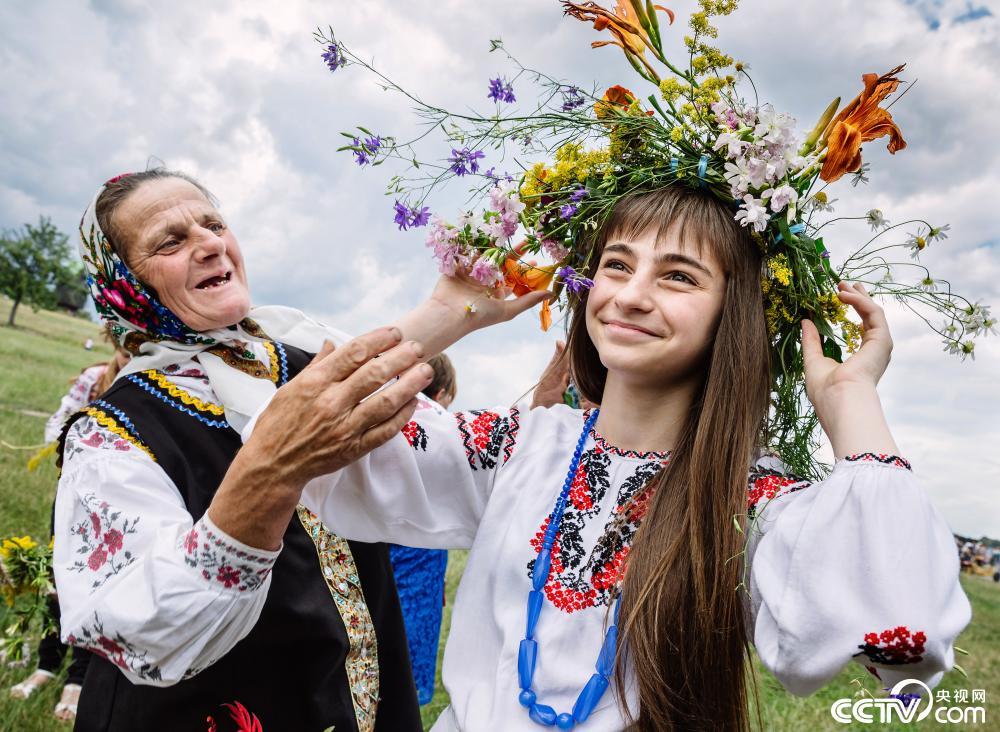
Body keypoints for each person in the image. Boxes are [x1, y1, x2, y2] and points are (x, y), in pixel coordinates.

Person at [252, 185, 973, 731]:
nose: (629, 295)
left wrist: (851, 401)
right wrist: (445, 316)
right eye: (616, 265)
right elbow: (297, 441)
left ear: (737, 313)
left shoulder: (753, 498)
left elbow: (900, 641)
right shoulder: (521, 446)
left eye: (678, 277)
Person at [52, 169, 458, 731]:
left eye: (214, 224)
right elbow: (146, 623)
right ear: (126, 283)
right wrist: (273, 471)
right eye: (171, 241)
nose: (210, 243)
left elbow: (446, 458)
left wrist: (459, 308)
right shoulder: (112, 432)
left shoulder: (301, 360)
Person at [9, 337, 129, 721]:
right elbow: (55, 425)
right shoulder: (96, 379)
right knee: (56, 578)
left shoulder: (159, 383)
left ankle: (78, 677)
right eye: (125, 351)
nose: (130, 359)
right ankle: (46, 664)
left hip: (121, 506)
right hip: (73, 494)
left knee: (98, 584)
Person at [388, 353, 457, 705]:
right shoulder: (440, 433)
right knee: (409, 672)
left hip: (380, 552)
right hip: (419, 558)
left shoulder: (380, 427)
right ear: (440, 394)